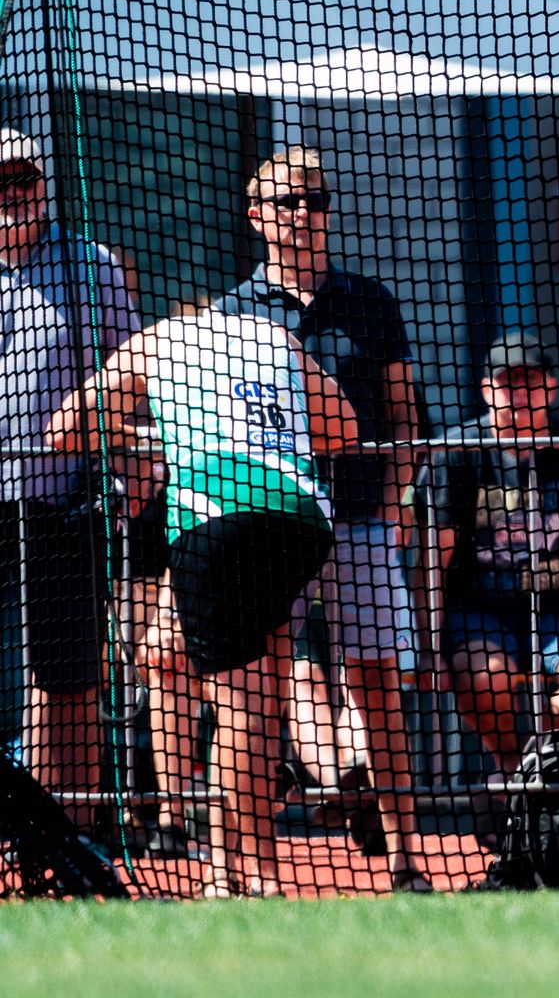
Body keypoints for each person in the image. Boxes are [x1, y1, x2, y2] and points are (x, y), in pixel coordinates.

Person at [46, 305, 358, 897]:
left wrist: (143, 431)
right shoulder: (274, 335)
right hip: (303, 521)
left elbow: (64, 431)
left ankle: (240, 874)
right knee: (263, 695)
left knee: (238, 704)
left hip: (216, 523)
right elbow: (343, 427)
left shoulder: (155, 342)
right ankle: (241, 870)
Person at [214, 146, 427, 889]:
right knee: (264, 687)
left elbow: (406, 414)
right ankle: (252, 864)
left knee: (376, 685)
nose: (303, 215)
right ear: (255, 217)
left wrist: (398, 501)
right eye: (286, 203)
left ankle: (403, 859)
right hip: (274, 522)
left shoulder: (369, 302)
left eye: (315, 201)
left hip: (363, 518)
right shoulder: (232, 313)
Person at [419, 333, 559, 793]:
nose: (519, 394)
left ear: (551, 388)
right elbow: (432, 563)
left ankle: (525, 770)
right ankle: (518, 769)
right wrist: (430, 649)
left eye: (531, 382)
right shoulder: (455, 453)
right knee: (486, 679)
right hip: (476, 614)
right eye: (507, 383)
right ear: (485, 390)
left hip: (557, 612)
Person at [0, 128, 141, 829]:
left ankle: (72, 837)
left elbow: (130, 373)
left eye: (25, 181)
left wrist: (126, 462)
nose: (14, 196)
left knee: (68, 677)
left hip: (60, 495)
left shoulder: (91, 267)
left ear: (46, 184)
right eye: (2, 185)